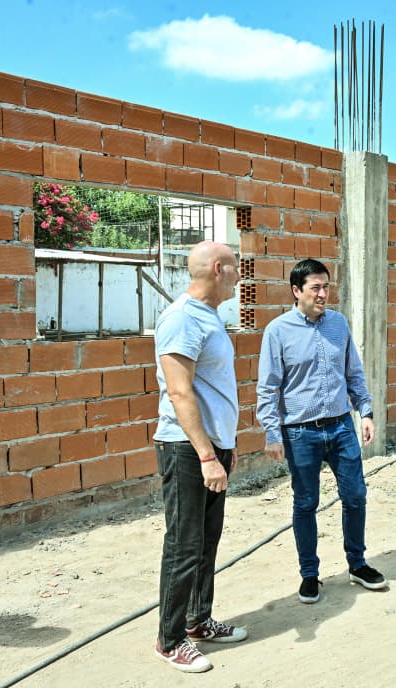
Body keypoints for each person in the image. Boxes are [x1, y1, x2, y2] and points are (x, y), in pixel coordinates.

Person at [257, 258, 387, 604]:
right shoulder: (278, 331)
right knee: (306, 503)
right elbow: (268, 388)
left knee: (355, 495)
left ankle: (357, 564)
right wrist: (272, 433)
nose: (323, 294)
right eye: (315, 287)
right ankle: (309, 575)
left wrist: (366, 411)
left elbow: (353, 372)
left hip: (342, 426)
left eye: (326, 286)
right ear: (296, 291)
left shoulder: (338, 324)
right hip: (300, 433)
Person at [152, 241, 247, 673]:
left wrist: (225, 446)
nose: (240, 276)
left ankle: (197, 620)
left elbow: (213, 388)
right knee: (184, 545)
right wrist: (207, 455)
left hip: (212, 447)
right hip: (187, 448)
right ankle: (170, 640)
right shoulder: (182, 318)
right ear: (218, 269)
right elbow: (179, 392)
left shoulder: (208, 317)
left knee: (207, 541)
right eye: (236, 267)